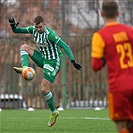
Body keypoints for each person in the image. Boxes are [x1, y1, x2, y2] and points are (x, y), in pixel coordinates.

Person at [8, 16, 82, 127]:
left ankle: (53, 112)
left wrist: (73, 61)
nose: (38, 29)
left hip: (53, 62)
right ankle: (25, 68)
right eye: (36, 27)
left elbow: (65, 46)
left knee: (44, 89)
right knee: (24, 47)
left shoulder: (50, 35)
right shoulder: (33, 30)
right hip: (43, 59)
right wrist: (13, 25)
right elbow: (17, 31)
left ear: (44, 24)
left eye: (40, 27)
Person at [91, 0, 133, 133]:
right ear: (118, 13)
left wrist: (106, 57)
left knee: (122, 126)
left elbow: (96, 65)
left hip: (119, 88)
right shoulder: (129, 31)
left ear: (102, 13)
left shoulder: (100, 36)